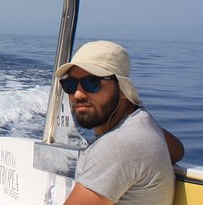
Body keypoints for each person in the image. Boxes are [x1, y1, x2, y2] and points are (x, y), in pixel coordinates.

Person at [56, 40, 184, 205]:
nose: (78, 94)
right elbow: (178, 150)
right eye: (70, 84)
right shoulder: (143, 123)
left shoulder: (117, 145)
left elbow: (122, 151)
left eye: (92, 82)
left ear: (123, 88)